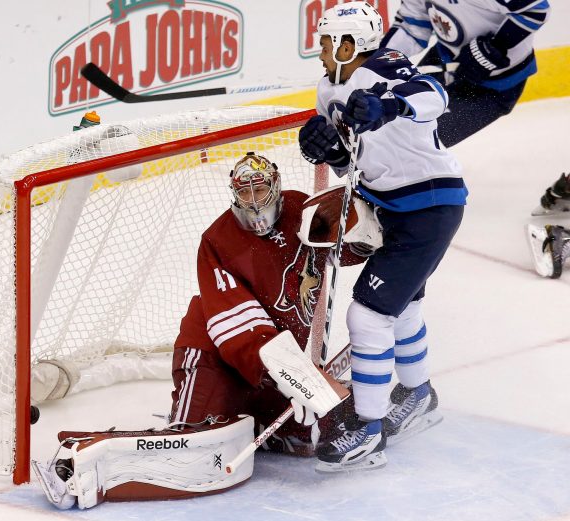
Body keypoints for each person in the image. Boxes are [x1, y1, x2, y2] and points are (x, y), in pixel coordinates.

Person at [31, 152, 382, 509]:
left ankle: (264, 424)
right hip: (217, 357)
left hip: (276, 369)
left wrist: (363, 236)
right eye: (245, 193)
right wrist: (299, 378)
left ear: (274, 186)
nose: (254, 200)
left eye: (260, 189)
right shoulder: (218, 240)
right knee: (190, 447)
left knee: (337, 424)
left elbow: (341, 248)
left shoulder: (299, 209)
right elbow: (241, 330)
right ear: (234, 194)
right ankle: (82, 465)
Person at [298, 1, 466, 472]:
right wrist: (330, 150)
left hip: (430, 205)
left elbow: (435, 94)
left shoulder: (385, 66)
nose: (322, 49)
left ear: (348, 45)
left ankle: (368, 431)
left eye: (328, 40)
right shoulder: (326, 89)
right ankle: (418, 395)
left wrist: (390, 104)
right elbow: (352, 162)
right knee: (403, 306)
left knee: (369, 317)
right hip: (389, 208)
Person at [380, 0, 551, 148]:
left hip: (493, 88)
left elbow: (535, 9)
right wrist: (372, 64)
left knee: (417, 143)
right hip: (443, 61)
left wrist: (497, 45)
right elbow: (412, 26)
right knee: (388, 121)